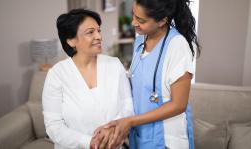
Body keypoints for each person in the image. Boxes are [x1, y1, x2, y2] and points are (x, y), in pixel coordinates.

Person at [95, 0, 201, 148]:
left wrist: (131, 121)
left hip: (167, 140)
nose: (133, 23)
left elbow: (179, 104)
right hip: (140, 136)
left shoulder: (177, 46)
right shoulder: (140, 40)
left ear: (162, 20)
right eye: (134, 15)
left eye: (141, 20)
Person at [42, 9, 134, 149]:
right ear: (71, 41)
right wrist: (90, 142)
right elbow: (54, 127)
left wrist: (113, 130)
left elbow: (128, 106)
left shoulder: (114, 65)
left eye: (99, 30)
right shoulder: (57, 75)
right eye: (90, 32)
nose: (98, 36)